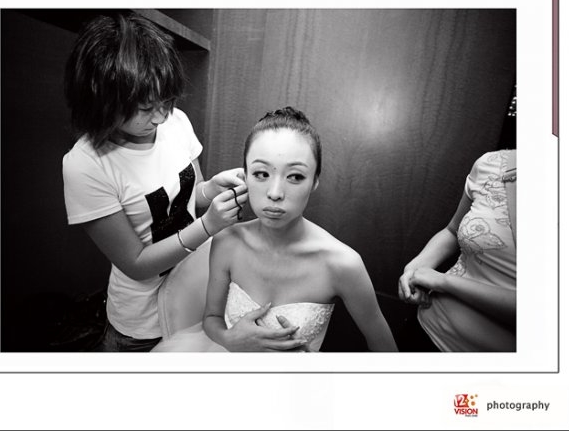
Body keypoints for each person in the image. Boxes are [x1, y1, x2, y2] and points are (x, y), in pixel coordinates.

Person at [62, 12, 248, 351]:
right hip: (141, 325)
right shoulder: (85, 165)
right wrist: (208, 226)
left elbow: (191, 198)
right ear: (103, 98)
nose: (161, 116)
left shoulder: (176, 122)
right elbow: (136, 264)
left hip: (194, 294)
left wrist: (212, 189)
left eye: (166, 102)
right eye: (146, 108)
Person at [153, 107, 398, 352]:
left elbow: (386, 351)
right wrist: (229, 339)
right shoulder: (227, 241)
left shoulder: (343, 264)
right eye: (261, 174)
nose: (275, 193)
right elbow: (211, 319)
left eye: (295, 177)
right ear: (245, 176)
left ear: (314, 181)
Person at [398, 149, 516, 352]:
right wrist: (414, 269)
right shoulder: (491, 163)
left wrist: (443, 282)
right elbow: (452, 231)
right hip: (426, 327)